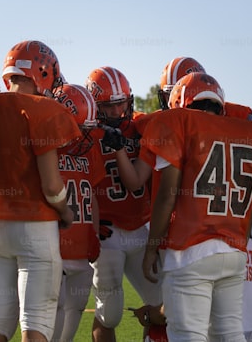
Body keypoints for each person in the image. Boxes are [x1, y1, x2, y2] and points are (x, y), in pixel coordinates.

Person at [0, 39, 79, 342]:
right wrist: (64, 210)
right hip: (34, 225)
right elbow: (51, 186)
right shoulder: (42, 109)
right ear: (43, 73)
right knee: (37, 320)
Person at [140, 72, 252, 342]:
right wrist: (240, 243)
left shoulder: (180, 122)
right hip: (234, 250)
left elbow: (167, 195)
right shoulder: (251, 132)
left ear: (181, 103)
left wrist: (152, 246)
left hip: (191, 250)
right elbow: (250, 201)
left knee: (188, 335)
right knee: (229, 333)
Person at [85, 65, 161, 342]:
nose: (118, 112)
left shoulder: (142, 126)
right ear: (95, 106)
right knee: (110, 313)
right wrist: (91, 229)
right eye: (109, 106)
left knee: (162, 304)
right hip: (108, 234)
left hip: (142, 228)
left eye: (122, 104)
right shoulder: (88, 134)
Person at [51, 83, 107, 342]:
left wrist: (94, 234)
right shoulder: (46, 145)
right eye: (81, 128)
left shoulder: (89, 147)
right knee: (54, 311)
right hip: (55, 245)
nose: (86, 135)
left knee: (75, 309)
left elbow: (92, 194)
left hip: (82, 244)